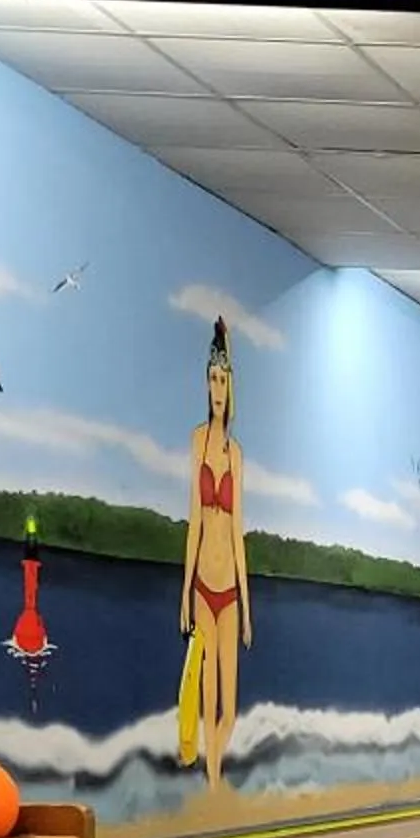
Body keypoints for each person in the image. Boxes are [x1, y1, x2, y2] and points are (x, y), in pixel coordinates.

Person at [179, 318, 252, 789]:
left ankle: (216, 769)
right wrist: (184, 593)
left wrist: (247, 608)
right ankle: (212, 783)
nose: (217, 389)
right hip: (205, 586)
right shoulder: (198, 441)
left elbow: (237, 529)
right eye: (211, 380)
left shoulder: (237, 454)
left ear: (232, 387)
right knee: (206, 697)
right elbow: (195, 522)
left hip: (230, 589)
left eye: (223, 380)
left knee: (231, 702)